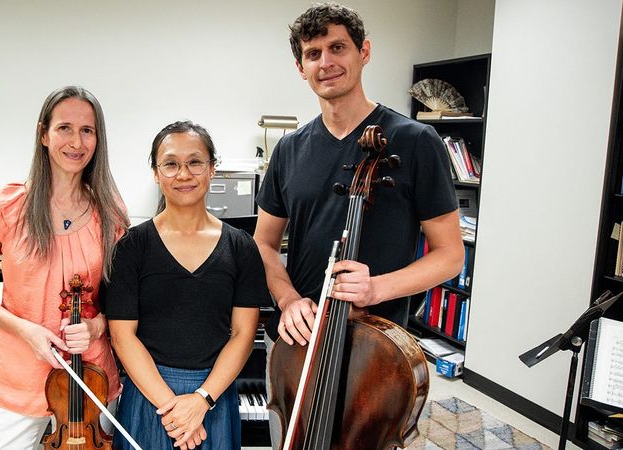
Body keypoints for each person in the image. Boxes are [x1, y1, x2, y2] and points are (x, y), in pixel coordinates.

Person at [253, 3, 465, 447]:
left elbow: (450, 256)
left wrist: (377, 289)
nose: (326, 63)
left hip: (376, 350)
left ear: (363, 52)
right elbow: (265, 245)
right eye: (313, 54)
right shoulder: (289, 150)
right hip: (297, 344)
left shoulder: (416, 141)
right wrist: (288, 298)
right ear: (300, 67)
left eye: (337, 48)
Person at [0, 85, 129, 449]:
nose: (77, 141)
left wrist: (96, 325)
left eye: (87, 130)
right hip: (17, 374)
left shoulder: (111, 212)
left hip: (91, 379)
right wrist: (26, 330)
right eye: (64, 128)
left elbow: (122, 299)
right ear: (43, 134)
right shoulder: (7, 206)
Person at [104, 121, 269, 450]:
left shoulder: (241, 248)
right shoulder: (131, 246)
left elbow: (243, 335)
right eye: (170, 164)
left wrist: (200, 401)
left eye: (195, 162)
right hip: (149, 397)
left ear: (212, 169)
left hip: (213, 397)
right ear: (155, 172)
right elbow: (122, 336)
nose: (183, 174)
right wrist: (175, 410)